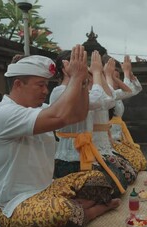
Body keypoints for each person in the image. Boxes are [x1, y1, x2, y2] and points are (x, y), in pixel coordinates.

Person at [0, 45, 119, 227]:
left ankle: (66, 222)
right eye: (40, 85)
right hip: (10, 206)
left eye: (46, 85)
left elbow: (78, 114)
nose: (45, 91)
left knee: (96, 179)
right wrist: (75, 78)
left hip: (46, 190)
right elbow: (61, 115)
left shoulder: (39, 109)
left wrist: (82, 82)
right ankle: (87, 213)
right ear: (18, 84)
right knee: (62, 211)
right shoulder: (3, 114)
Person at [50, 50, 128, 198]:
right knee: (107, 191)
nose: (84, 70)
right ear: (64, 68)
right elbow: (97, 100)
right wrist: (98, 73)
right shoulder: (59, 91)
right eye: (78, 65)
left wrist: (104, 76)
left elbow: (109, 101)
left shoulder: (83, 91)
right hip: (69, 158)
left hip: (87, 153)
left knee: (119, 183)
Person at [106, 55, 147, 172]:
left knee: (140, 160)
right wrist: (125, 73)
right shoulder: (106, 95)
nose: (116, 82)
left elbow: (136, 89)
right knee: (135, 162)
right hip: (110, 139)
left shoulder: (117, 94)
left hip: (120, 136)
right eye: (112, 78)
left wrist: (129, 74)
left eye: (117, 78)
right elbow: (129, 90)